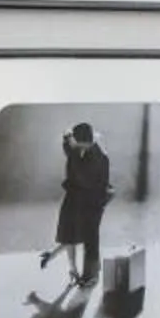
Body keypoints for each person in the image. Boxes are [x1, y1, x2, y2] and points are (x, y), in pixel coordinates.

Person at [47, 122, 113, 288]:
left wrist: (73, 150)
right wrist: (67, 139)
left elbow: (81, 176)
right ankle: (94, 271)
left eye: (78, 143)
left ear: (84, 142)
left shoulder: (95, 157)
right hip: (90, 198)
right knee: (89, 237)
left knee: (91, 239)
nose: (76, 147)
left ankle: (91, 276)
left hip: (94, 201)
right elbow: (72, 152)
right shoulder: (90, 148)